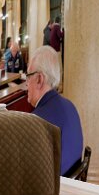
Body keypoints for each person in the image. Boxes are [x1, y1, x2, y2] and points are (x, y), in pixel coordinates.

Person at [26, 46, 83, 175]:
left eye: (28, 76)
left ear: (39, 79)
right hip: (71, 183)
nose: (26, 84)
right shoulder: (71, 106)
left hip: (57, 191)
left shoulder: (36, 121)